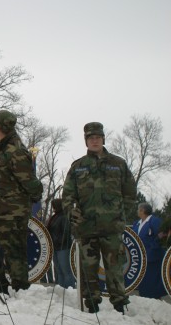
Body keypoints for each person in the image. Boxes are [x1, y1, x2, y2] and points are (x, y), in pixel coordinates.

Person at [62, 122, 137, 314]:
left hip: (112, 228)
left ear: (103, 139)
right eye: (90, 138)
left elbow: (130, 193)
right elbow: (68, 195)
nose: (94, 141)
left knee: (114, 268)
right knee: (89, 269)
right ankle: (92, 304)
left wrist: (122, 216)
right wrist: (71, 211)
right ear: (86, 141)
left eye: (98, 137)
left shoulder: (118, 164)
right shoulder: (78, 167)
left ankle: (120, 305)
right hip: (86, 228)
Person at [0, 110, 43, 294]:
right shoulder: (2, 149)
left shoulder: (14, 150)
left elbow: (31, 183)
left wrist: (29, 199)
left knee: (14, 254)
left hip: (10, 215)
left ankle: (20, 291)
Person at [133, 203, 166, 299]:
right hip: (141, 257)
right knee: (143, 280)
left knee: (152, 280)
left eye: (138, 209)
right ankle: (144, 298)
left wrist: (152, 248)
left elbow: (161, 236)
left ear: (142, 210)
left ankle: (154, 298)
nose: (137, 211)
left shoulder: (155, 221)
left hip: (153, 256)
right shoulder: (136, 223)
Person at [46, 199, 75, 289]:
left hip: (63, 248)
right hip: (55, 247)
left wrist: (58, 242)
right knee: (59, 270)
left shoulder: (64, 216)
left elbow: (66, 232)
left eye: (54, 205)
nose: (53, 207)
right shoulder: (55, 216)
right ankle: (61, 289)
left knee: (66, 270)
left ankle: (70, 289)